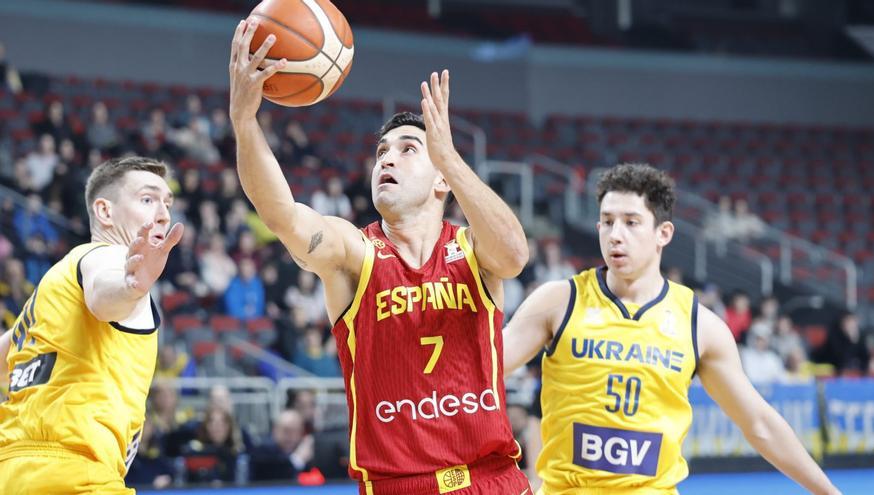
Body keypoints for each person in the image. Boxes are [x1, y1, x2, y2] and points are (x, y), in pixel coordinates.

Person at [229, 19, 531, 495]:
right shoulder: (355, 252)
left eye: (408, 149)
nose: (386, 159)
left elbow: (515, 256)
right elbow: (282, 214)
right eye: (381, 152)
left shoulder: (473, 249)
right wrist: (244, 123)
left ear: (441, 182)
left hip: (491, 480)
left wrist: (449, 157)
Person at [502, 164, 840, 495]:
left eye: (631, 222)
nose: (616, 234)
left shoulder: (699, 324)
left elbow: (759, 423)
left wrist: (827, 492)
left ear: (663, 233)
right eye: (607, 222)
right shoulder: (559, 301)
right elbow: (480, 369)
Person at [0, 156, 184, 494]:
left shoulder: (48, 290)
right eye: (147, 199)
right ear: (104, 212)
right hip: (77, 475)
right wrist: (131, 288)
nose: (164, 213)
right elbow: (104, 296)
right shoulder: (107, 258)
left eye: (167, 202)